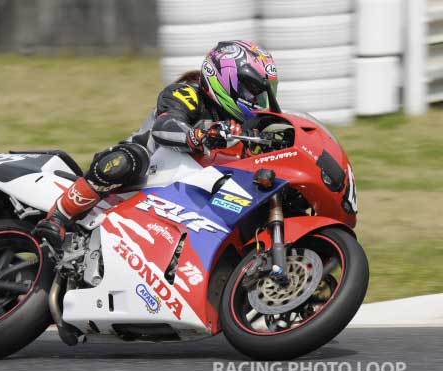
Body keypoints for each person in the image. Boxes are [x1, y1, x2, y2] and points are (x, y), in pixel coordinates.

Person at [33, 40, 279, 249]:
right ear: (225, 79)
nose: (256, 100)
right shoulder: (186, 93)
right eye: (251, 91)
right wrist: (201, 136)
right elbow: (165, 127)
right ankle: (58, 217)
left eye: (261, 94)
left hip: (191, 193)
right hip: (146, 172)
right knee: (128, 159)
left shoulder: (249, 128)